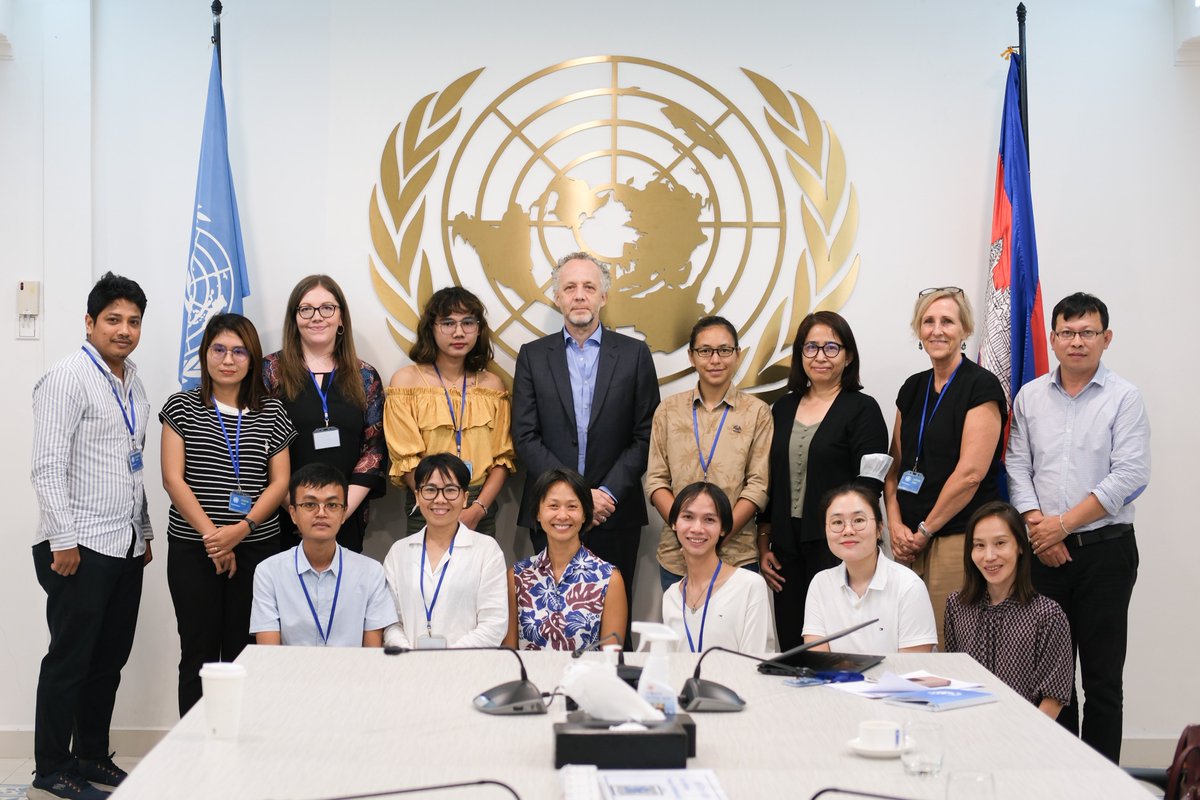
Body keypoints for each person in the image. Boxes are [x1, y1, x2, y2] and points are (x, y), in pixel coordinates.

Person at [1006, 292, 1150, 762]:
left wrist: (1061, 526)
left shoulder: (1124, 398)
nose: (1077, 341)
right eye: (1067, 332)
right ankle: (1059, 776)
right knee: (1052, 678)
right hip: (1043, 554)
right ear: (1052, 338)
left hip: (1106, 555)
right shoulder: (1030, 396)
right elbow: (1016, 466)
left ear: (1106, 338)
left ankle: (1102, 782)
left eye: (1088, 332)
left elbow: (1129, 476)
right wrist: (1036, 529)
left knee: (1103, 681)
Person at [30, 273, 152, 799]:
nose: (124, 330)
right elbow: (47, 465)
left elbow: (133, 467)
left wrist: (143, 532)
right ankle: (52, 768)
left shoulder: (134, 381)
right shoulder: (66, 377)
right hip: (77, 547)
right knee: (69, 661)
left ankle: (92, 757)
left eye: (133, 321)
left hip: (123, 545)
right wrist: (62, 539)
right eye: (113, 320)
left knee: (108, 662)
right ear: (89, 322)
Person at [160, 313, 296, 714]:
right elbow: (173, 479)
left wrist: (242, 528)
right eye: (218, 349)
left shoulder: (272, 412)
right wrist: (214, 539)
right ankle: (194, 749)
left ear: (252, 359)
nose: (228, 359)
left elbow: (280, 483)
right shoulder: (181, 407)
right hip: (193, 549)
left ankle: (243, 747)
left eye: (239, 351)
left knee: (246, 650)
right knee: (198, 652)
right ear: (204, 355)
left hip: (256, 548)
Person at [513, 252, 660, 616]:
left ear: (603, 297)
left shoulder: (635, 355)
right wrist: (571, 497)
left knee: (612, 625)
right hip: (550, 512)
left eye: (589, 287)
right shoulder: (532, 356)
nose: (579, 295)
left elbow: (646, 435)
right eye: (570, 287)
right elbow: (525, 435)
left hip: (615, 512)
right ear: (557, 296)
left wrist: (604, 494)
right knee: (548, 619)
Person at [758, 311, 890, 650]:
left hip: (838, 547)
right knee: (793, 645)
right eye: (811, 347)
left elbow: (869, 485)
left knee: (836, 646)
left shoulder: (862, 409)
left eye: (832, 347)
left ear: (848, 356)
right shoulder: (782, 409)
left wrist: (850, 537)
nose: (820, 356)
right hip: (786, 549)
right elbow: (772, 481)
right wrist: (764, 541)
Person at [884, 287, 1005, 648]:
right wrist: (894, 524)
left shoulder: (981, 386)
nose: (937, 330)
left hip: (955, 537)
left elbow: (971, 475)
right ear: (918, 331)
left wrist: (924, 530)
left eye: (947, 321)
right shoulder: (912, 388)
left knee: (952, 649)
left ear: (965, 330)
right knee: (907, 646)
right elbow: (894, 466)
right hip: (906, 543)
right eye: (928, 321)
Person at [646, 316, 772, 591]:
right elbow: (656, 481)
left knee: (735, 634)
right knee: (682, 634)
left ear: (737, 355)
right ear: (692, 357)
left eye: (724, 350)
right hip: (676, 556)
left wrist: (717, 535)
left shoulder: (757, 412)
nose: (715, 359)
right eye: (705, 351)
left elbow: (757, 486)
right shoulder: (668, 410)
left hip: (737, 555)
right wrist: (686, 532)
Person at [263, 275, 386, 553]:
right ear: (295, 318)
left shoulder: (365, 376)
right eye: (306, 309)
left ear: (341, 317)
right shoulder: (270, 372)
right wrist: (298, 510)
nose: (317, 317)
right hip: (283, 514)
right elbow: (258, 446)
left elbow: (375, 448)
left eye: (327, 308)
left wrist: (338, 511)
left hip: (346, 515)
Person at [385, 287, 514, 534]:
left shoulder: (492, 386)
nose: (458, 332)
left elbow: (502, 459)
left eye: (468, 323)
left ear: (478, 329)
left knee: (479, 572)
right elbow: (405, 458)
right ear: (430, 328)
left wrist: (477, 508)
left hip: (478, 504)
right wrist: (435, 499)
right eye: (447, 323)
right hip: (426, 500)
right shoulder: (406, 382)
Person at [944, 502, 1073, 718]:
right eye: (979, 545)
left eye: (1000, 543)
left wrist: (1018, 741)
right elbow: (954, 678)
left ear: (1020, 546)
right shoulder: (956, 605)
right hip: (968, 728)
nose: (989, 556)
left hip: (1025, 735)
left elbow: (1053, 699)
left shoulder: (1048, 614)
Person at [250, 464, 396, 647]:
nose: (321, 513)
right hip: (291, 674)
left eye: (332, 505)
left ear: (344, 513)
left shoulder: (370, 572)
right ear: (293, 514)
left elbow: (372, 654)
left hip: (351, 674)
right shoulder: (269, 572)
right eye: (310, 504)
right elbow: (269, 653)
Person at [382, 453, 507, 648]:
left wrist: (449, 659)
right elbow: (390, 622)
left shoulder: (487, 550)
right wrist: (408, 655)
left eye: (450, 490)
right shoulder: (399, 552)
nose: (440, 499)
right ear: (417, 496)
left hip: (467, 668)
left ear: (465, 498)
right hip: (409, 668)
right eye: (430, 490)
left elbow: (494, 624)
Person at [803, 485, 937, 654]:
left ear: (880, 529)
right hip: (835, 680)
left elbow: (913, 667)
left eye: (859, 520)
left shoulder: (908, 585)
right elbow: (818, 661)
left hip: (897, 679)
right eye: (837, 522)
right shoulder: (820, 584)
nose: (848, 531)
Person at [505, 467, 628, 651]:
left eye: (572, 506)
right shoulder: (518, 576)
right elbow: (509, 655)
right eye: (553, 506)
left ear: (585, 513)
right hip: (529, 679)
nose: (562, 515)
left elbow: (610, 662)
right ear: (538, 513)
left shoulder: (609, 579)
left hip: (586, 680)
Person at [661, 483, 777, 653]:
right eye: (688, 517)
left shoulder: (750, 585)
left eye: (709, 519)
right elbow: (670, 665)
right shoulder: (671, 596)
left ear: (723, 528)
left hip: (736, 680)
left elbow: (754, 662)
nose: (697, 529)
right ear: (674, 523)